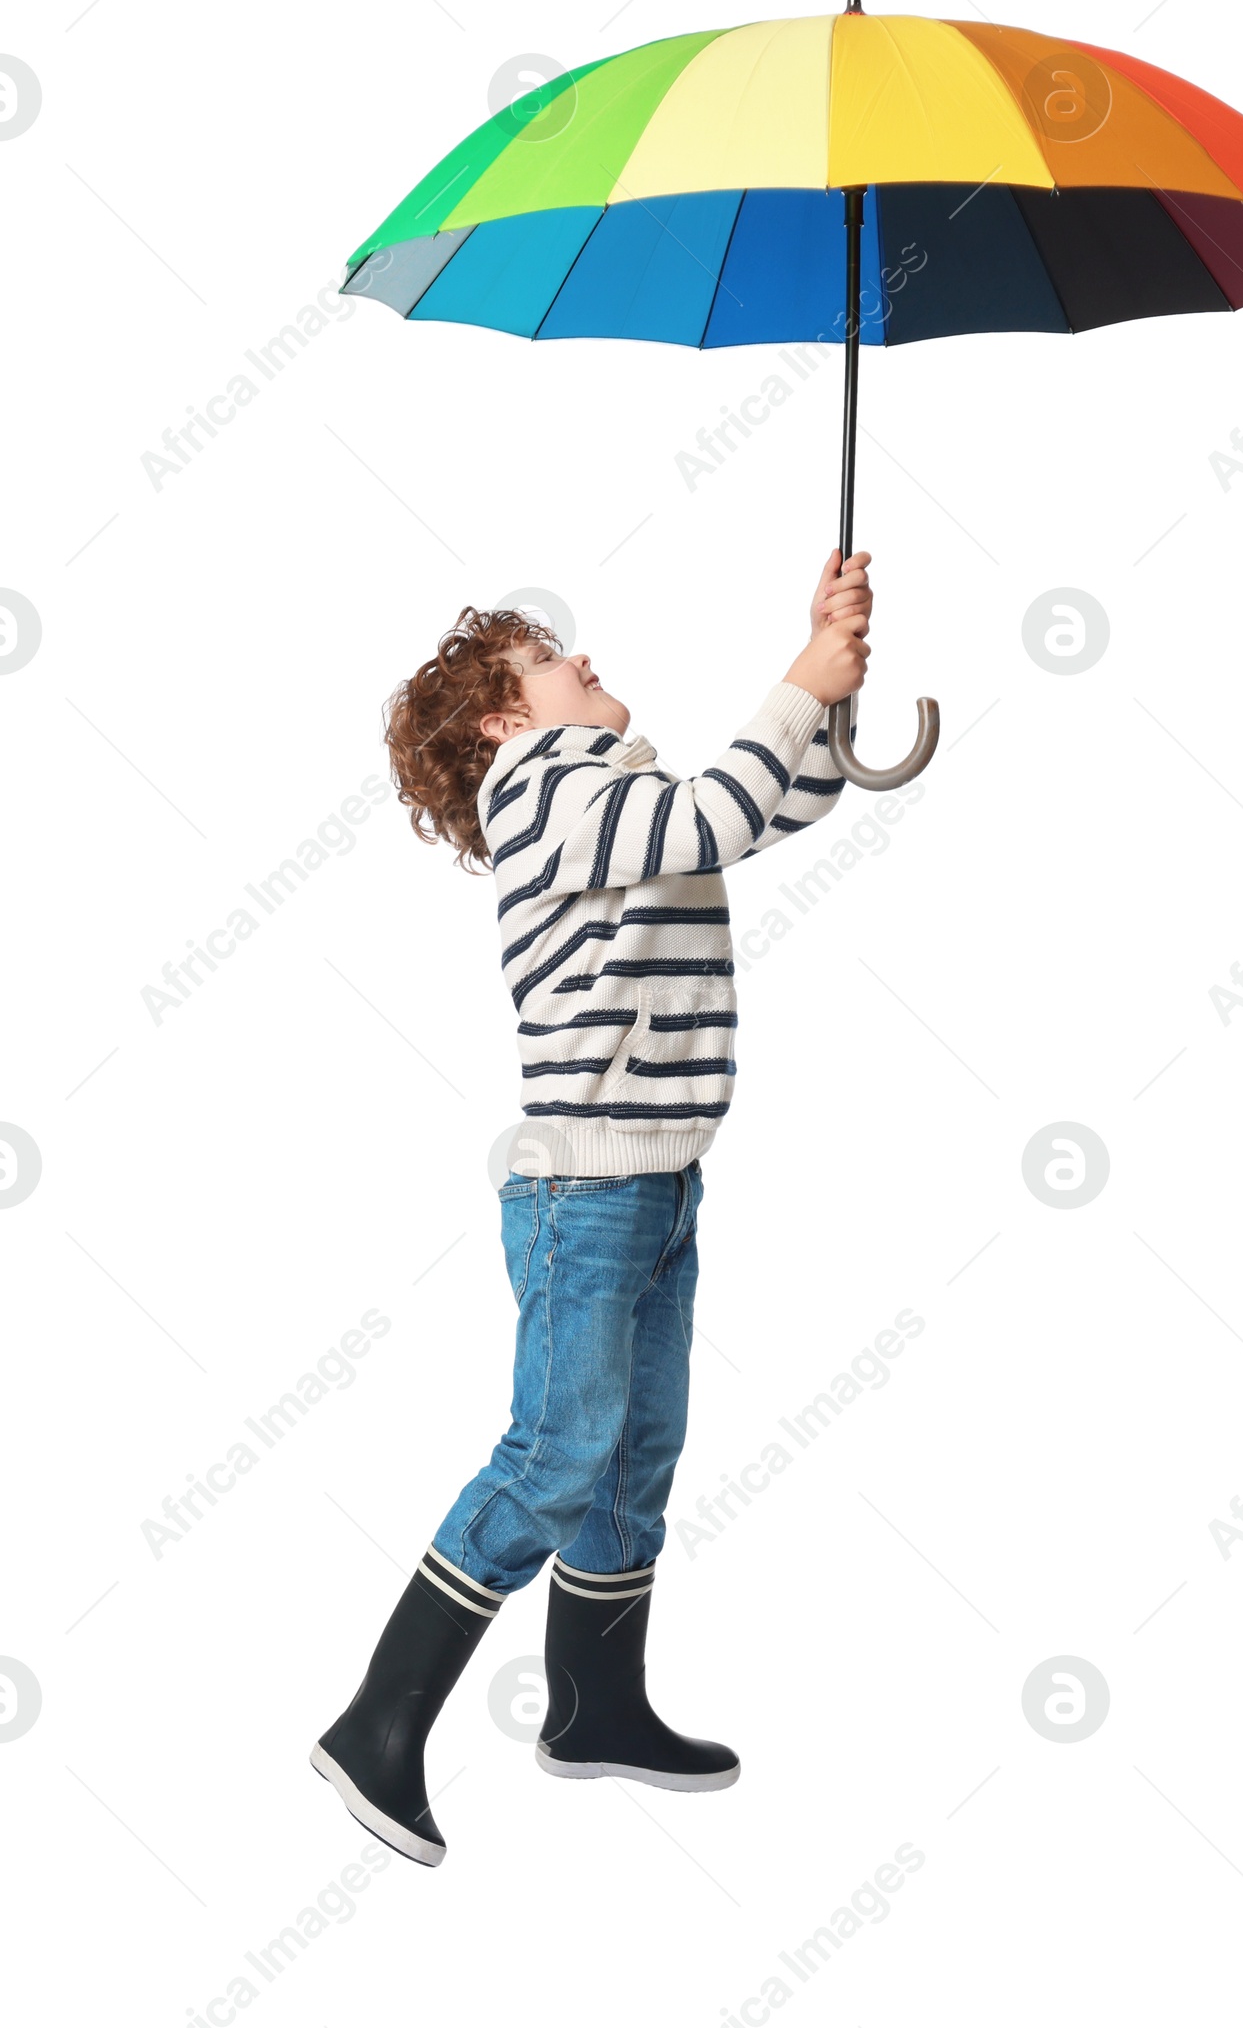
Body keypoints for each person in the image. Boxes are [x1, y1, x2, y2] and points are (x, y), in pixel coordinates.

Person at [311, 549, 873, 1865]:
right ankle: (377, 1722)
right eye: (558, 660)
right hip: (587, 1187)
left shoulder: (615, 784)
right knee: (559, 1452)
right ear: (506, 721)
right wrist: (797, 680)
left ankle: (595, 1700)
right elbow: (708, 821)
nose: (588, 660)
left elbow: (778, 802)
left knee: (635, 1450)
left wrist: (833, 681)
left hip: (657, 1170)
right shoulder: (544, 792)